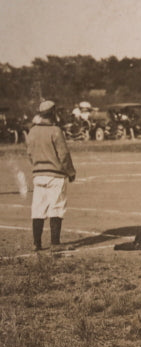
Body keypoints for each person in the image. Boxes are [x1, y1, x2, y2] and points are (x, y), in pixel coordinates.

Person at [26, 100, 76, 250]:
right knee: (56, 207)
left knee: (38, 209)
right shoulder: (55, 130)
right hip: (55, 175)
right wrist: (71, 172)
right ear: (53, 113)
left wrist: (37, 167)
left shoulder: (32, 131)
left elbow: (29, 154)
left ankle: (37, 243)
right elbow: (64, 155)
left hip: (38, 175)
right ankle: (55, 243)